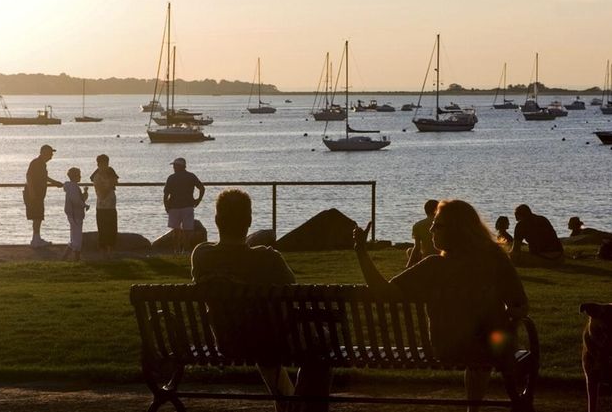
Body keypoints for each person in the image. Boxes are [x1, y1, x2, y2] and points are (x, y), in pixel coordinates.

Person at [353, 199, 528, 412]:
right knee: (488, 340)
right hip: (490, 349)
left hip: (446, 348)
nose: (431, 228)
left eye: (438, 224)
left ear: (457, 230)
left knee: (476, 341)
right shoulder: (494, 258)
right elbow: (519, 302)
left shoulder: (434, 266)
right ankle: (477, 409)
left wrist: (361, 252)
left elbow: (384, 293)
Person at [191, 189, 331, 412]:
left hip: (229, 341)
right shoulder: (268, 258)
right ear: (249, 221)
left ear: (217, 220)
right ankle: (301, 408)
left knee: (263, 335)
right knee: (321, 345)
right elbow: (293, 291)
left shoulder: (201, 255)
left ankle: (291, 405)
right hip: (271, 339)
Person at [163, 157, 205, 254]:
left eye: (174, 165)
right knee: (188, 231)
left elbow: (166, 194)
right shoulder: (191, 176)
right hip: (188, 206)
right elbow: (202, 188)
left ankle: (176, 250)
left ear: (179, 166)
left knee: (176, 231)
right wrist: (198, 200)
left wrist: (166, 206)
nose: (173, 167)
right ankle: (185, 250)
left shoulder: (171, 178)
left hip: (174, 207)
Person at [24, 144, 63, 247]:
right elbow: (28, 176)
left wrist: (55, 183)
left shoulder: (42, 164)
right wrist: (32, 191)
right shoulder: (36, 163)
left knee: (38, 217)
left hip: (38, 195)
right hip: (35, 195)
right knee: (37, 217)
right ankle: (36, 240)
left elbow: (45, 177)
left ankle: (36, 238)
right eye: (50, 153)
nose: (51, 156)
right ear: (43, 153)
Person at [90, 154, 119, 257]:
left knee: (112, 229)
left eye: (106, 164)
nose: (105, 166)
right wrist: (110, 185)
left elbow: (116, 181)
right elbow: (101, 194)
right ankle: (103, 251)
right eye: (103, 164)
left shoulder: (110, 172)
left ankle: (110, 251)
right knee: (103, 230)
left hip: (111, 207)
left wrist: (112, 183)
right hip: (102, 208)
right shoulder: (97, 176)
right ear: (98, 164)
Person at [61, 167, 89, 261]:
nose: (80, 176)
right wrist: (84, 205)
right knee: (77, 237)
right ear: (75, 176)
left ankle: (69, 257)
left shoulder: (72, 187)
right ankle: (73, 257)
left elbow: (80, 199)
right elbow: (77, 201)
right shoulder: (73, 187)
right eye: (79, 175)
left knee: (74, 236)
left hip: (73, 214)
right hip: (75, 214)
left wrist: (85, 192)